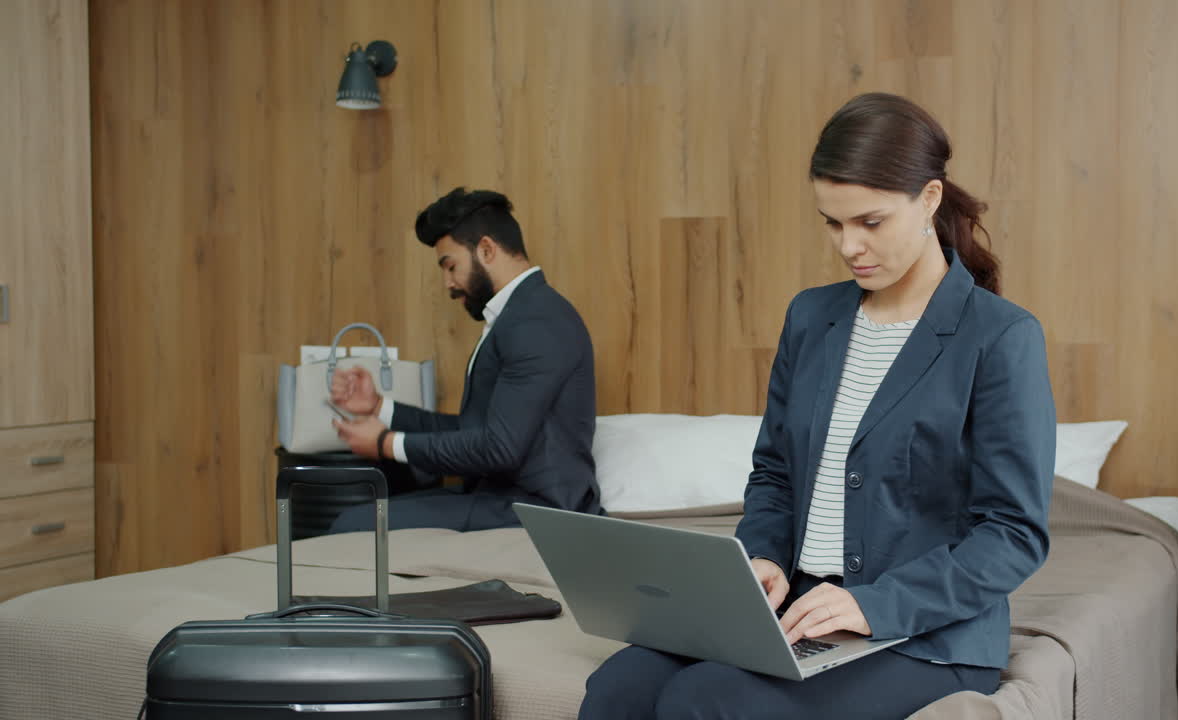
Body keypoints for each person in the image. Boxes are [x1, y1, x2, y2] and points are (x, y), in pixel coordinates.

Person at [578, 93, 1056, 719]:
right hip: (797, 611)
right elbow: (775, 471)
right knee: (618, 688)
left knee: (706, 701)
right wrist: (764, 558)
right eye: (833, 223)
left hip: (926, 636)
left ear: (929, 201)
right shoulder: (811, 317)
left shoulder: (999, 336)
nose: (849, 245)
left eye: (870, 221)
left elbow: (1012, 534)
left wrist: (873, 605)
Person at [328, 187, 603, 532]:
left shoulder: (537, 322)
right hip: (500, 497)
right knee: (357, 518)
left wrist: (386, 443)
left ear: (487, 249)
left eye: (451, 266)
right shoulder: (517, 316)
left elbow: (499, 448)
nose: (448, 283)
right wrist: (379, 407)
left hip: (537, 510)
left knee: (351, 527)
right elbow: (473, 431)